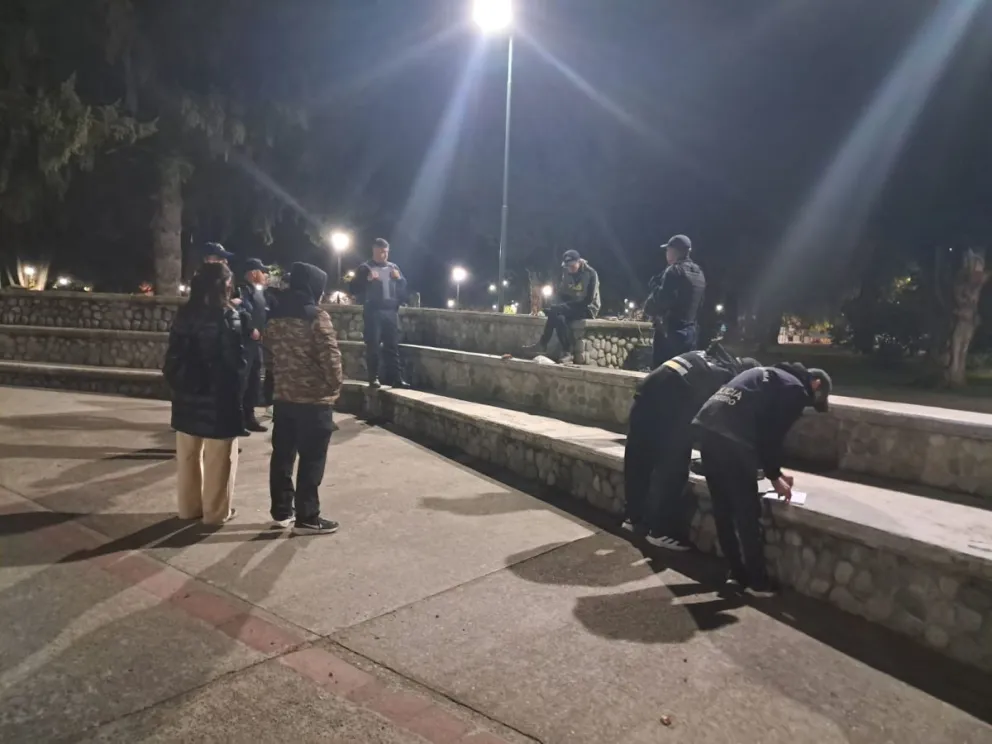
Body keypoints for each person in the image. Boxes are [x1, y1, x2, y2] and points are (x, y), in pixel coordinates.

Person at [693, 362, 832, 595]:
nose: (806, 406)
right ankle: (757, 582)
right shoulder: (796, 389)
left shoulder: (767, 375)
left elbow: (757, 424)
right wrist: (775, 476)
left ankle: (736, 575)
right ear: (815, 384)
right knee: (746, 511)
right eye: (814, 400)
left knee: (723, 510)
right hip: (731, 438)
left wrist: (774, 471)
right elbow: (770, 436)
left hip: (708, 430)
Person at [623, 344, 760, 551]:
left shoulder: (707, 355)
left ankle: (633, 519)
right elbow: (715, 423)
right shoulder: (725, 377)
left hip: (645, 394)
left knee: (638, 460)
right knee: (674, 468)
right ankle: (660, 531)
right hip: (670, 405)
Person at [163, 262, 245, 526]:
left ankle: (188, 508)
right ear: (224, 285)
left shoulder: (184, 313)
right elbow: (234, 363)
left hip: (186, 394)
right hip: (218, 398)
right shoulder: (226, 315)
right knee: (219, 458)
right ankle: (215, 513)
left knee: (187, 456)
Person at [265, 262, 343, 535]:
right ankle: (308, 517)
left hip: (284, 398)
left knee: (283, 455)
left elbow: (269, 357)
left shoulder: (274, 316)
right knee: (312, 458)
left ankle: (282, 510)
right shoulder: (316, 316)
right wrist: (334, 387)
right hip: (313, 401)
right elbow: (331, 359)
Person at [350, 238, 410, 389]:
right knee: (373, 345)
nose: (384, 255)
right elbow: (353, 288)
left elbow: (404, 286)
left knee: (392, 346)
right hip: (373, 311)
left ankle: (396, 378)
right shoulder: (365, 268)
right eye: (381, 252)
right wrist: (367, 280)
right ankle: (373, 378)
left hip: (390, 311)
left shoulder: (393, 267)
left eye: (386, 252)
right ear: (374, 251)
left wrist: (400, 279)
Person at [524, 249, 601, 363]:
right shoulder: (567, 273)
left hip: (588, 308)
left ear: (579, 262)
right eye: (568, 267)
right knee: (558, 317)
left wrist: (562, 307)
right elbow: (563, 293)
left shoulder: (591, 274)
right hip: (571, 306)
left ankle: (543, 343)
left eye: (572, 266)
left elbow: (588, 300)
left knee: (554, 311)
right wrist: (558, 304)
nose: (570, 269)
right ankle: (567, 352)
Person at [644, 235, 706, 369]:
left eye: (668, 250)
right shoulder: (699, 272)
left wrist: (654, 289)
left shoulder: (673, 271)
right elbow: (701, 304)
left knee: (662, 376)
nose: (666, 253)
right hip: (690, 333)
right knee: (684, 374)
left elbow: (660, 302)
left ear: (674, 251)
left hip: (670, 334)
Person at [236, 258, 270, 433]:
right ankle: (238, 420)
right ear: (253, 273)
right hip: (245, 342)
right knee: (243, 381)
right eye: (262, 272)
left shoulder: (259, 292)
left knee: (254, 381)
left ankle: (249, 417)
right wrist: (250, 329)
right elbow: (241, 310)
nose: (265, 275)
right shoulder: (241, 290)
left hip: (257, 343)